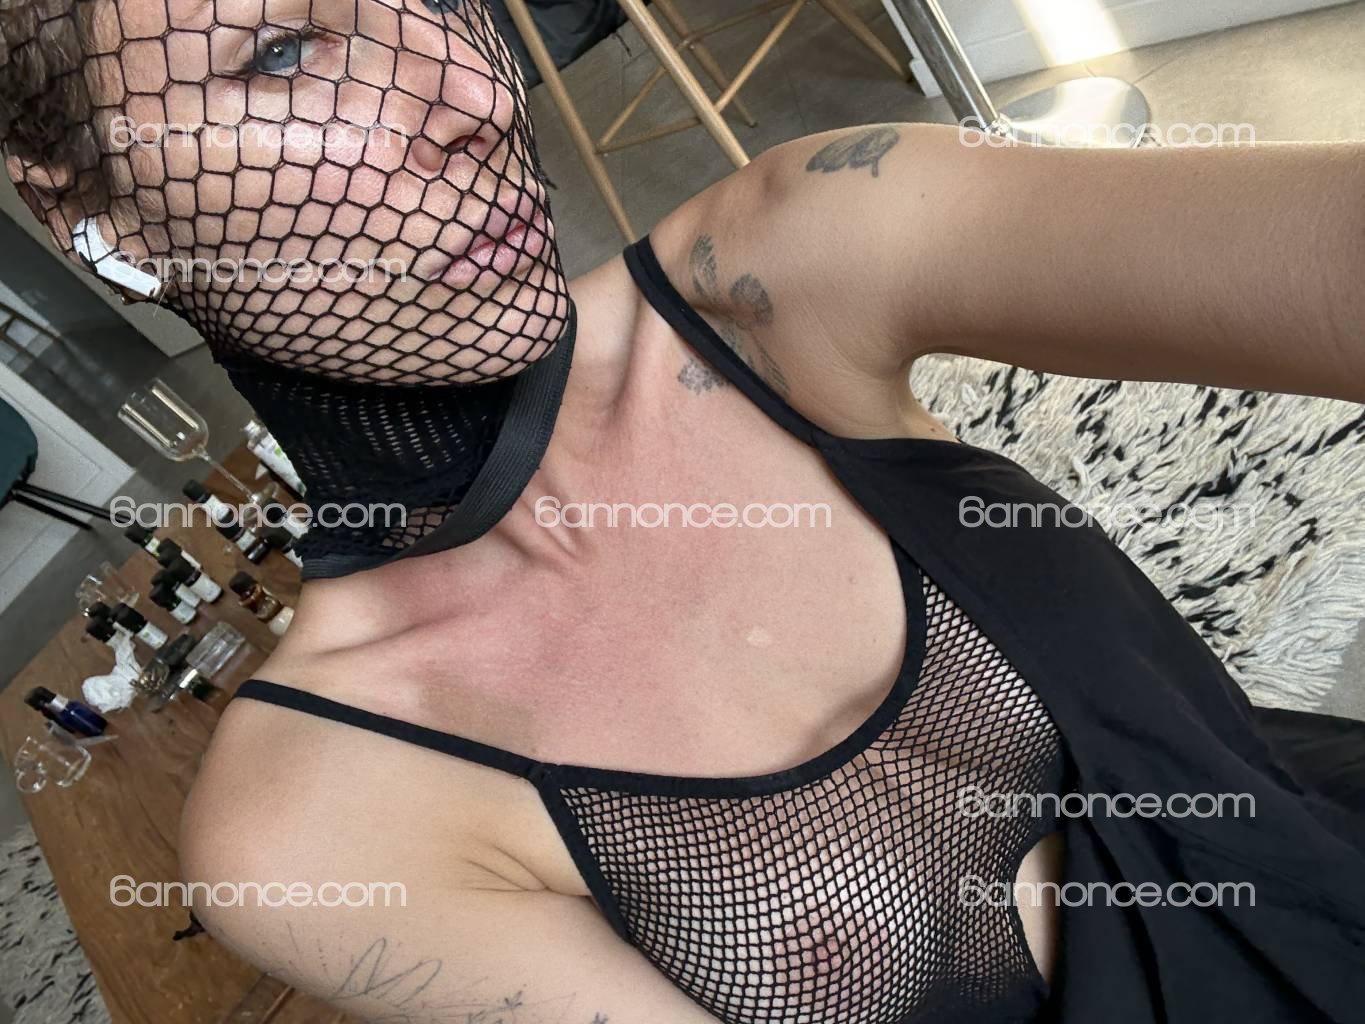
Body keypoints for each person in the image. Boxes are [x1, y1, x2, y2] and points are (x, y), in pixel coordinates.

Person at [3, 1, 1364, 1022]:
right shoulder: (317, 825)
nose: (477, 91)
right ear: (93, 213)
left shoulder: (786, 258)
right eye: (283, 52)